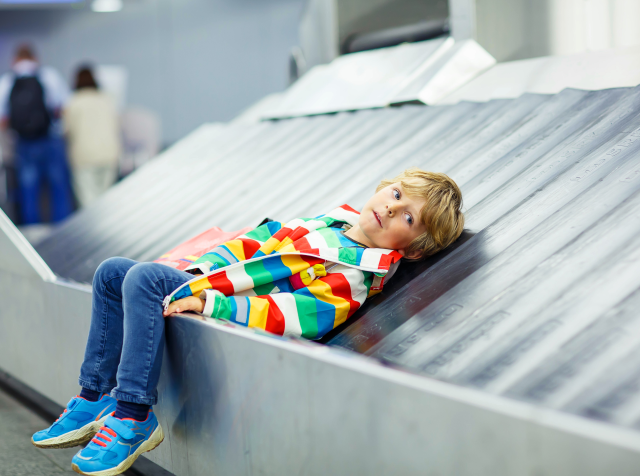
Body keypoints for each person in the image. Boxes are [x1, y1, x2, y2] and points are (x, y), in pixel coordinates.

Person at [31, 168, 465, 476]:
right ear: (384, 188)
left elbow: (294, 317)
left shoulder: (354, 275)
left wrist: (210, 303)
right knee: (111, 272)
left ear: (412, 251)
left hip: (228, 305)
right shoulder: (329, 222)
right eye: (396, 196)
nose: (391, 210)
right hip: (210, 282)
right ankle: (93, 396)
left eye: (408, 218)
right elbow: (249, 244)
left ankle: (132, 414)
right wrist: (199, 273)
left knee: (143, 278)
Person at [0, 44, 72, 224]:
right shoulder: (49, 76)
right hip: (50, 138)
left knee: (28, 189)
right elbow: (63, 108)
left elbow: (3, 119)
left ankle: (32, 234)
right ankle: (64, 228)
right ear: (35, 57)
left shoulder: (7, 81)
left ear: (15, 59)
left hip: (24, 142)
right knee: (58, 187)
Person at [64, 66, 121, 208]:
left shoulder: (73, 102)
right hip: (109, 154)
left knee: (88, 203)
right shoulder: (107, 99)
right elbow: (116, 124)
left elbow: (67, 130)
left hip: (84, 157)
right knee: (106, 200)